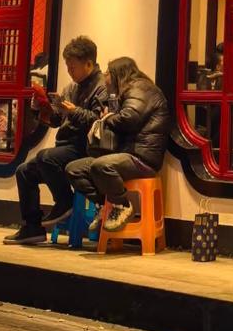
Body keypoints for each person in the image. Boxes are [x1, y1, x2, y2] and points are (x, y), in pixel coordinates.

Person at [5, 35, 109, 246]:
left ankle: (64, 202)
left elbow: (101, 124)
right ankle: (32, 227)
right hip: (65, 148)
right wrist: (40, 108)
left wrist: (75, 111)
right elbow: (56, 121)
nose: (69, 72)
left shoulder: (102, 87)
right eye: (67, 67)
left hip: (86, 148)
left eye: (73, 67)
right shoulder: (71, 88)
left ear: (89, 64)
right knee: (23, 171)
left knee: (46, 157)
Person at [65, 56, 169, 233]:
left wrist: (107, 117)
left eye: (107, 73)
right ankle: (105, 205)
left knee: (101, 165)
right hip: (126, 154)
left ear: (117, 73)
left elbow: (129, 119)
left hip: (142, 158)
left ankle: (122, 205)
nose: (105, 77)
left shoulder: (140, 88)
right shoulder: (127, 91)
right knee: (74, 169)